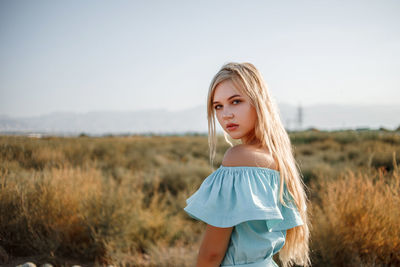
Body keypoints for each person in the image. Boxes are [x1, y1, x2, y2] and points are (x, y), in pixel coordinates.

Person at [184, 62, 310, 267]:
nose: (226, 114)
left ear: (259, 102)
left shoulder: (238, 158)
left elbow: (211, 255)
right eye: (218, 106)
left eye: (236, 101)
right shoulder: (278, 158)